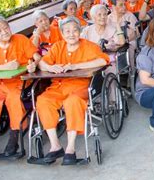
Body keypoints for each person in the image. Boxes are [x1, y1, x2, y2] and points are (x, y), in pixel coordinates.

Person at [37, 17, 109, 165]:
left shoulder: (89, 46)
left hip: (80, 86)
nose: (71, 34)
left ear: (80, 32)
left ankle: (70, 148)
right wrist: (50, 67)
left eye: (75, 30)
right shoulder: (57, 47)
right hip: (58, 86)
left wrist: (76, 66)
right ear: (62, 34)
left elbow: (103, 61)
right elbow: (42, 63)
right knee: (43, 100)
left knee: (73, 101)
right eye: (67, 31)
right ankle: (55, 145)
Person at [0, 14, 40, 159]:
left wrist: (34, 65)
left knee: (14, 100)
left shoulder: (21, 39)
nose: (4, 32)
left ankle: (14, 138)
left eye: (6, 27)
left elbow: (37, 57)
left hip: (19, 84)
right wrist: (4, 67)